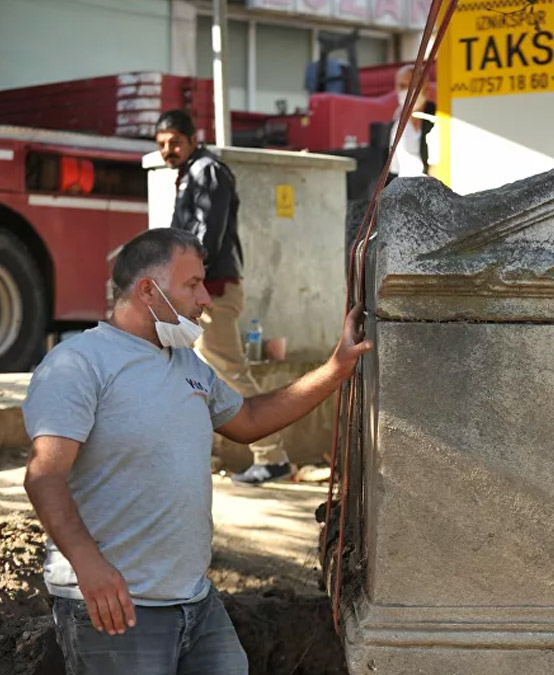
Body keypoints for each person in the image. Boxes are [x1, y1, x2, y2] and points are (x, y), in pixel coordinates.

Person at [21, 228, 371, 674]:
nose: (205, 298)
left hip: (196, 604)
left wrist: (336, 368)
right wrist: (89, 566)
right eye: (192, 284)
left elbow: (249, 420)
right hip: (115, 606)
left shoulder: (188, 366)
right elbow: (43, 476)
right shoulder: (79, 364)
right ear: (148, 290)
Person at [154, 109, 291, 485]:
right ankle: (201, 456)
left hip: (210, 292)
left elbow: (205, 239)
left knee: (228, 372)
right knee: (197, 374)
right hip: (200, 290)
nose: (168, 150)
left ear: (193, 139)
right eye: (162, 144)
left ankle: (273, 456)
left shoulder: (206, 171)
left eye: (175, 142)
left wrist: (191, 286)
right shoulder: (190, 174)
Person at [387, 64, 439, 180]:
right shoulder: (397, 125)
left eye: (413, 85)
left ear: (425, 87)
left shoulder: (438, 119)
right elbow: (394, 168)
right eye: (402, 86)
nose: (407, 91)